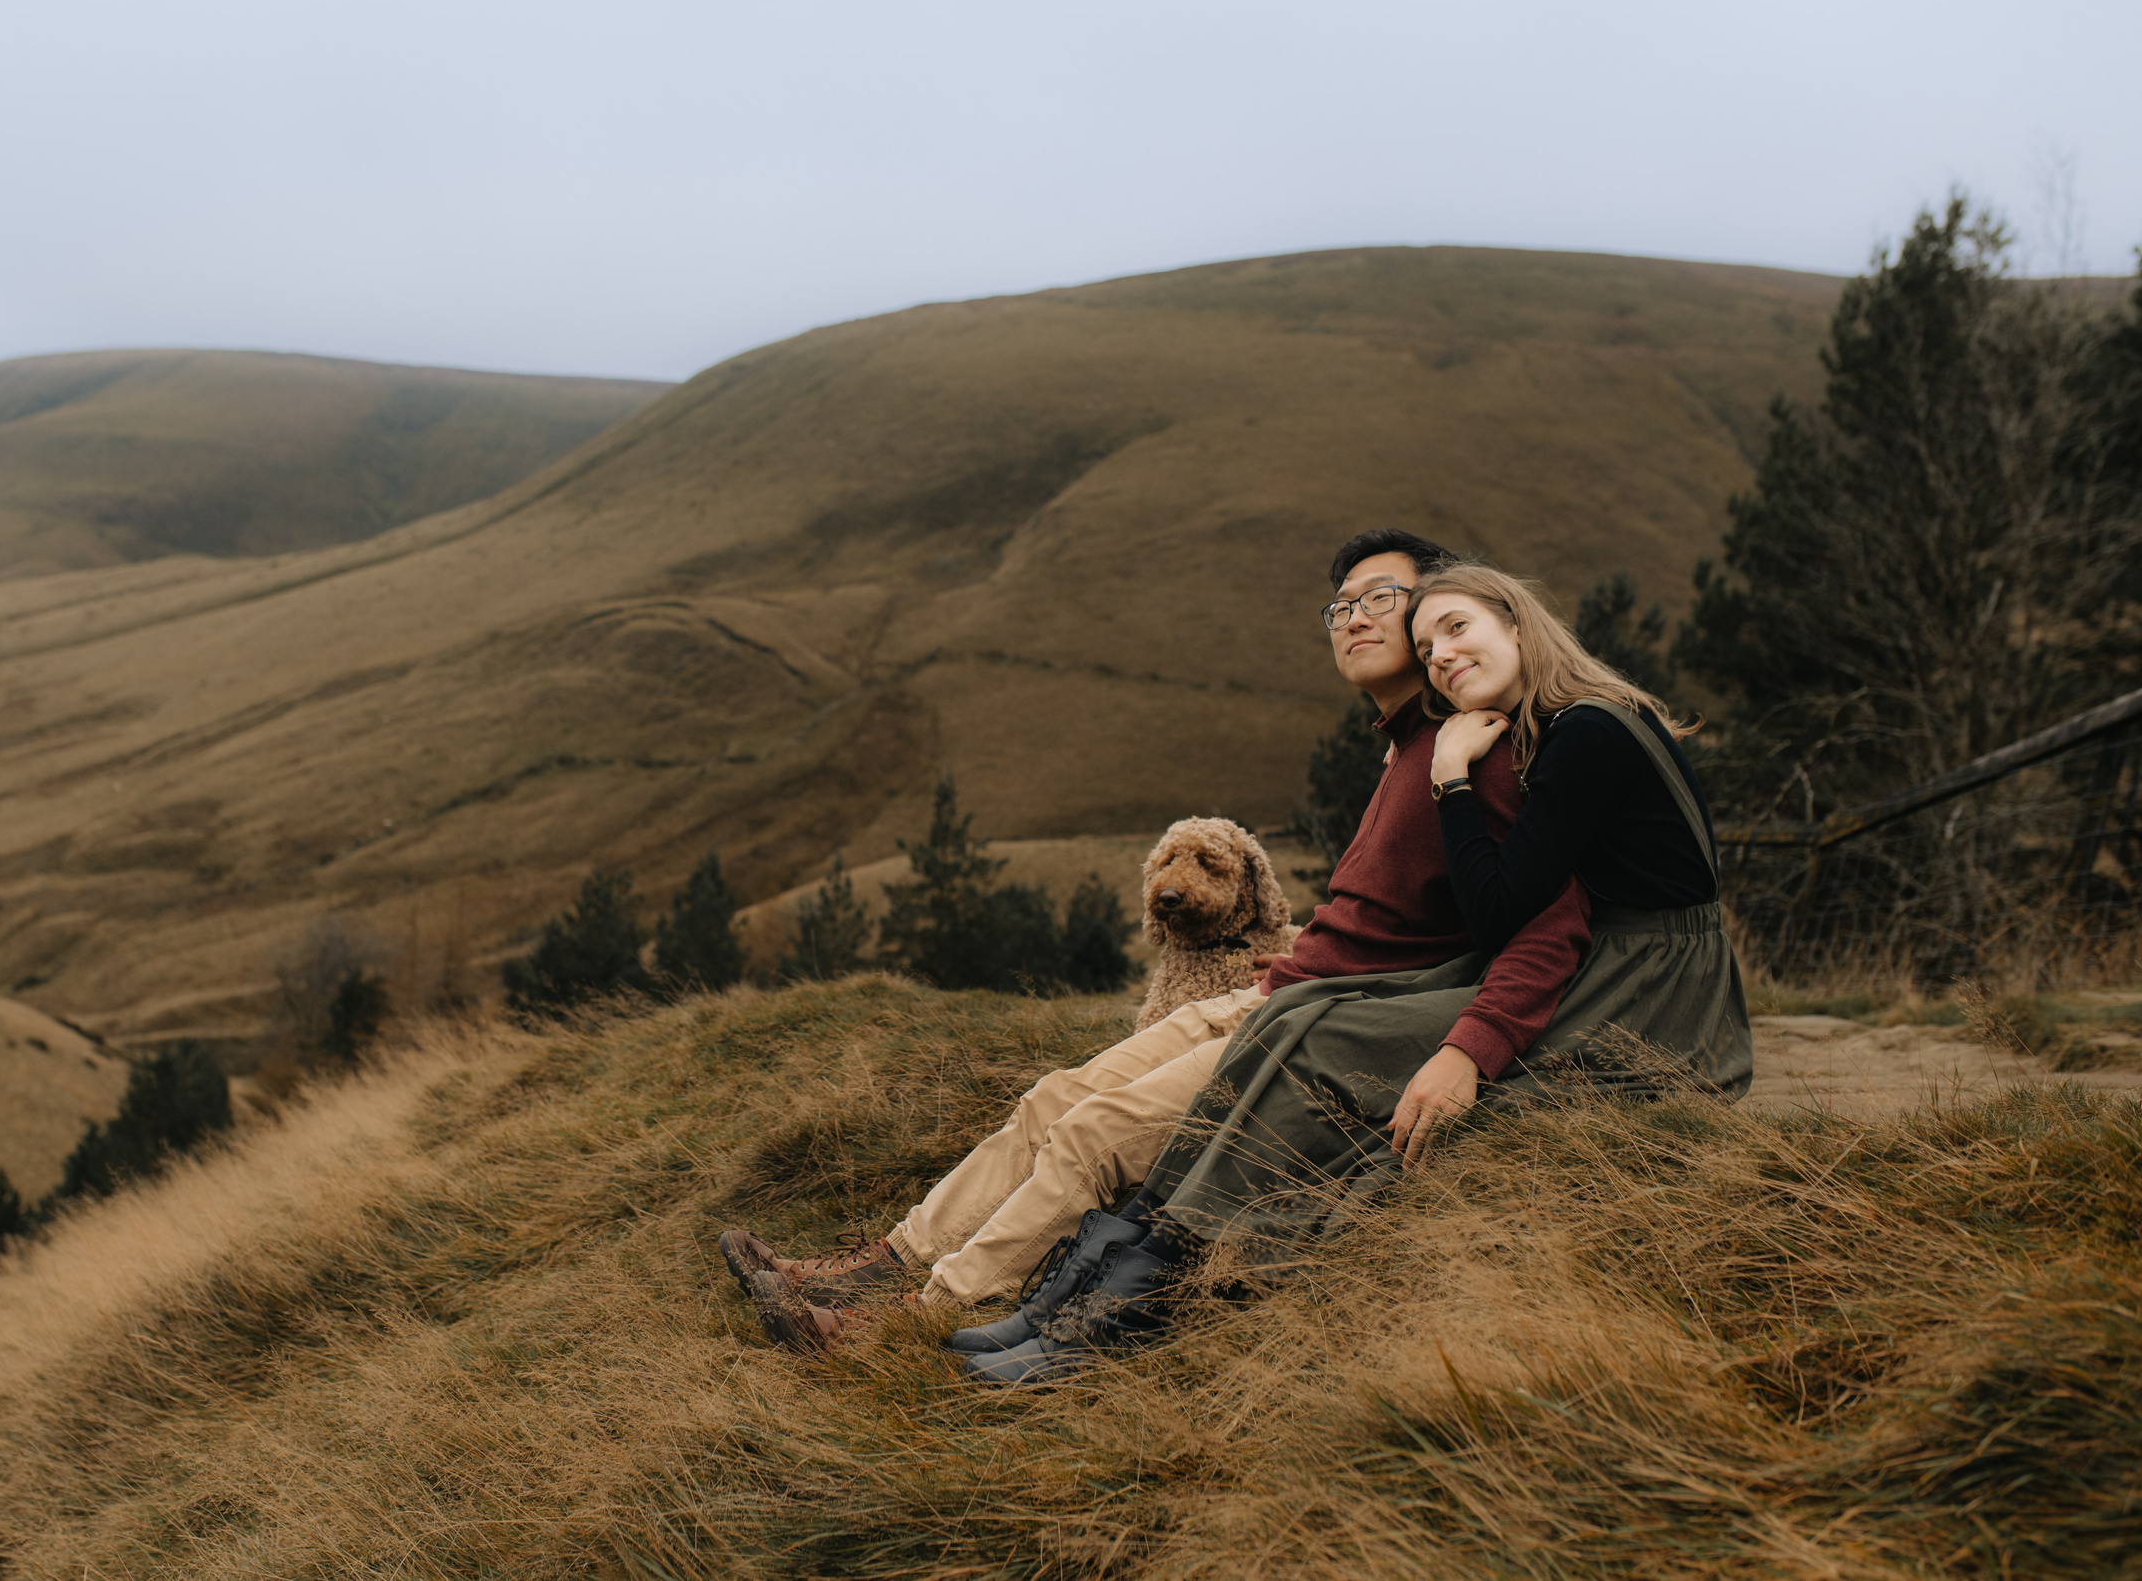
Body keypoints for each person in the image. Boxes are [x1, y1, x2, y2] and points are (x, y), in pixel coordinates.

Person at [721, 530, 1594, 1353]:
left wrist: (1470, 1051)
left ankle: (910, 1315)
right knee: (1051, 1099)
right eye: (1340, 606)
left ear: (1433, 609)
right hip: (1270, 992)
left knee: (1097, 1133)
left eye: (1381, 597)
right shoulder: (1409, 745)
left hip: (1316, 1025)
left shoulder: (1477, 751)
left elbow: (1550, 926)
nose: (1355, 616)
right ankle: (878, 1263)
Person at [958, 564, 1751, 1387]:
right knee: (1289, 1021)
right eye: (1427, 644)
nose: (1440, 655)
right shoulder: (1557, 724)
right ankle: (1105, 1278)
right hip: (1614, 960)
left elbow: (1508, 912)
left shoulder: (1578, 732)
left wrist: (1448, 775)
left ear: (1517, 623)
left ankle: (1125, 1308)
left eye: (1457, 628)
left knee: (1326, 1040)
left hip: (1649, 988)